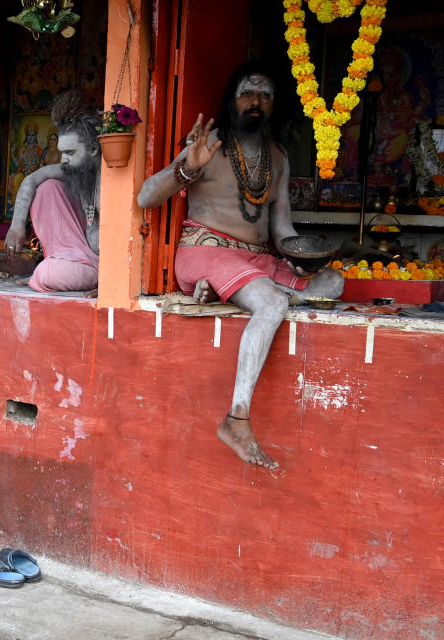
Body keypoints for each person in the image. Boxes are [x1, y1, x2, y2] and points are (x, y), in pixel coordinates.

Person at [136, 62, 344, 470]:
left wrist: (303, 256)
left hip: (257, 259)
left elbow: (281, 228)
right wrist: (187, 168)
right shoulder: (209, 144)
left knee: (333, 283)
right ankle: (237, 418)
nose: (256, 102)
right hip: (205, 251)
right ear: (232, 101)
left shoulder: (278, 156)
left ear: (273, 104)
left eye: (265, 95)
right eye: (248, 93)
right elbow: (145, 197)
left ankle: (251, 292)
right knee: (271, 304)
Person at [4, 91, 101, 295]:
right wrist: (16, 226)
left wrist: (111, 283)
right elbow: (30, 180)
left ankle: (74, 273)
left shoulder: (111, 178)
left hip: (105, 267)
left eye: (70, 153)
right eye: (62, 151)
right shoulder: (73, 168)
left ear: (93, 149)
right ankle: (59, 263)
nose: (63, 159)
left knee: (45, 275)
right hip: (77, 258)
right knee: (48, 187)